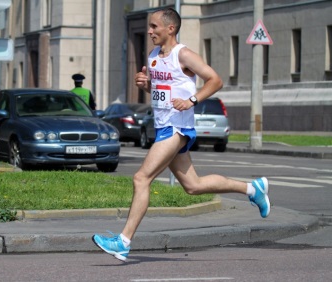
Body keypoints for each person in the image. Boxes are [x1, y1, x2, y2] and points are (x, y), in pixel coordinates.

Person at [92, 7, 271, 262]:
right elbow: (161, 91)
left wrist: (192, 100)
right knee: (193, 186)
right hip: (163, 126)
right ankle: (252, 189)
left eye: (154, 27)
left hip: (178, 129)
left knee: (141, 178)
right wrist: (147, 85)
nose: (150, 31)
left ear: (170, 28)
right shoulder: (154, 56)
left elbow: (215, 80)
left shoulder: (183, 54)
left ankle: (123, 241)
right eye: (150, 27)